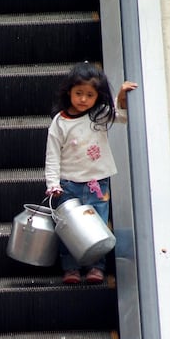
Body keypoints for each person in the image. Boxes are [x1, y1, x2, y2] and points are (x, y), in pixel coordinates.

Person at [44, 61, 137, 284]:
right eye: (78, 93)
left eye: (89, 95)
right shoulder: (60, 122)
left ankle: (97, 267)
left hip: (97, 183)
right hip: (68, 184)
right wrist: (52, 183)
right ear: (69, 92)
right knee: (69, 228)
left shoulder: (99, 115)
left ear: (98, 96)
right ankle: (71, 268)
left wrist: (123, 95)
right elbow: (53, 154)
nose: (83, 99)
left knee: (98, 226)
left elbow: (121, 117)